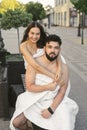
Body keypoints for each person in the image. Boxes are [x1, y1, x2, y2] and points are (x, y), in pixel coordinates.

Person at [10, 34, 79, 130]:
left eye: (56, 48)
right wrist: (48, 87)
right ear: (44, 48)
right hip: (35, 99)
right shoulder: (34, 63)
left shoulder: (63, 67)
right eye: (50, 47)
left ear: (59, 50)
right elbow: (30, 87)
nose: (52, 50)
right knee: (17, 123)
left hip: (54, 99)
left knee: (65, 123)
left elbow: (62, 91)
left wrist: (51, 109)